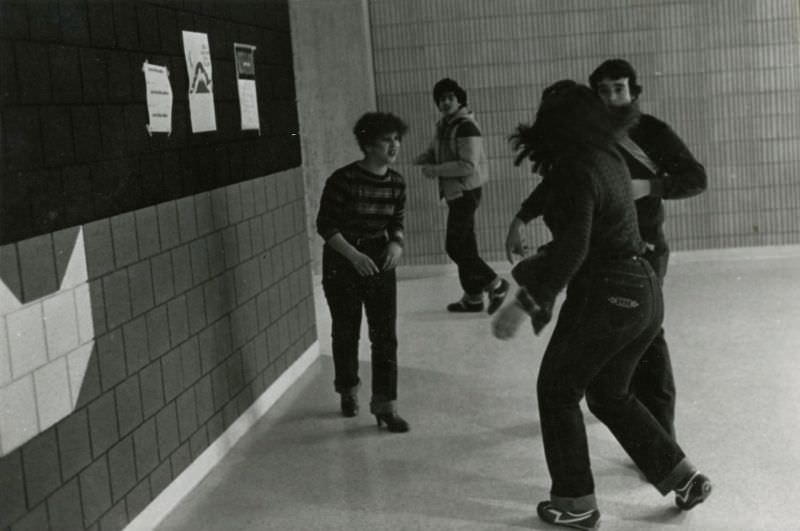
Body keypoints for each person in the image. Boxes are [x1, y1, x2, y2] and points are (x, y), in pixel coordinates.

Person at [492, 81, 711, 530]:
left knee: (557, 391)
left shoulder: (577, 166)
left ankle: (576, 503)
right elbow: (560, 189)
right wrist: (521, 216)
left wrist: (524, 303)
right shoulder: (606, 154)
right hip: (644, 291)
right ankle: (682, 477)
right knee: (609, 394)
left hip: (607, 292)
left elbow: (574, 247)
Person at [316, 112, 410, 433]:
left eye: (397, 139)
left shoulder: (396, 182)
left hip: (379, 257)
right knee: (346, 331)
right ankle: (348, 389)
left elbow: (396, 220)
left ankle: (386, 406)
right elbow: (325, 225)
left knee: (385, 335)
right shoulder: (343, 180)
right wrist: (354, 256)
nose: (394, 145)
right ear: (368, 145)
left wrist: (396, 244)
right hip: (342, 259)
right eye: (387, 140)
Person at [414, 78, 509, 314]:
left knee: (455, 246)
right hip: (456, 191)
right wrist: (425, 157)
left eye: (450, 98)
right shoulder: (446, 125)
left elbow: (468, 165)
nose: (445, 102)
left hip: (466, 191)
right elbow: (439, 150)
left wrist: (435, 170)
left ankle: (496, 284)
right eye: (441, 99)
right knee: (466, 245)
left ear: (459, 100)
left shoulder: (466, 126)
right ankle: (473, 297)